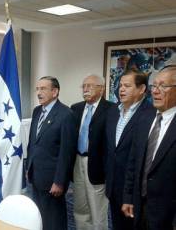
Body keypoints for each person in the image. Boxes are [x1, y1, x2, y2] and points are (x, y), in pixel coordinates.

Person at [122, 66, 176, 230]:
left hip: (169, 214)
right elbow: (133, 162)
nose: (155, 91)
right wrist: (128, 197)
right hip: (140, 207)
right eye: (154, 86)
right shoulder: (145, 118)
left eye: (163, 86)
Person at [26, 76, 77, 230]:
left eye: (43, 89)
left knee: (54, 220)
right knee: (39, 217)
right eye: (37, 89)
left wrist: (60, 181)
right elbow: (32, 143)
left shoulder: (66, 114)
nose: (39, 92)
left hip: (53, 179)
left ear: (55, 92)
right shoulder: (37, 111)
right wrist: (29, 167)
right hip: (36, 175)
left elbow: (67, 152)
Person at [105, 69, 151, 230]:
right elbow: (111, 149)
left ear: (142, 89)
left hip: (135, 192)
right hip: (113, 186)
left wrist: (130, 195)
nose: (121, 89)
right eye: (120, 85)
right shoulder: (113, 111)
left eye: (127, 86)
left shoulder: (151, 115)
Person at [71, 74, 112, 230]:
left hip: (97, 165)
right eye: (84, 86)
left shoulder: (111, 109)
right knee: (80, 207)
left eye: (90, 85)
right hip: (77, 162)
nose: (85, 89)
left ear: (101, 89)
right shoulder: (76, 108)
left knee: (98, 210)